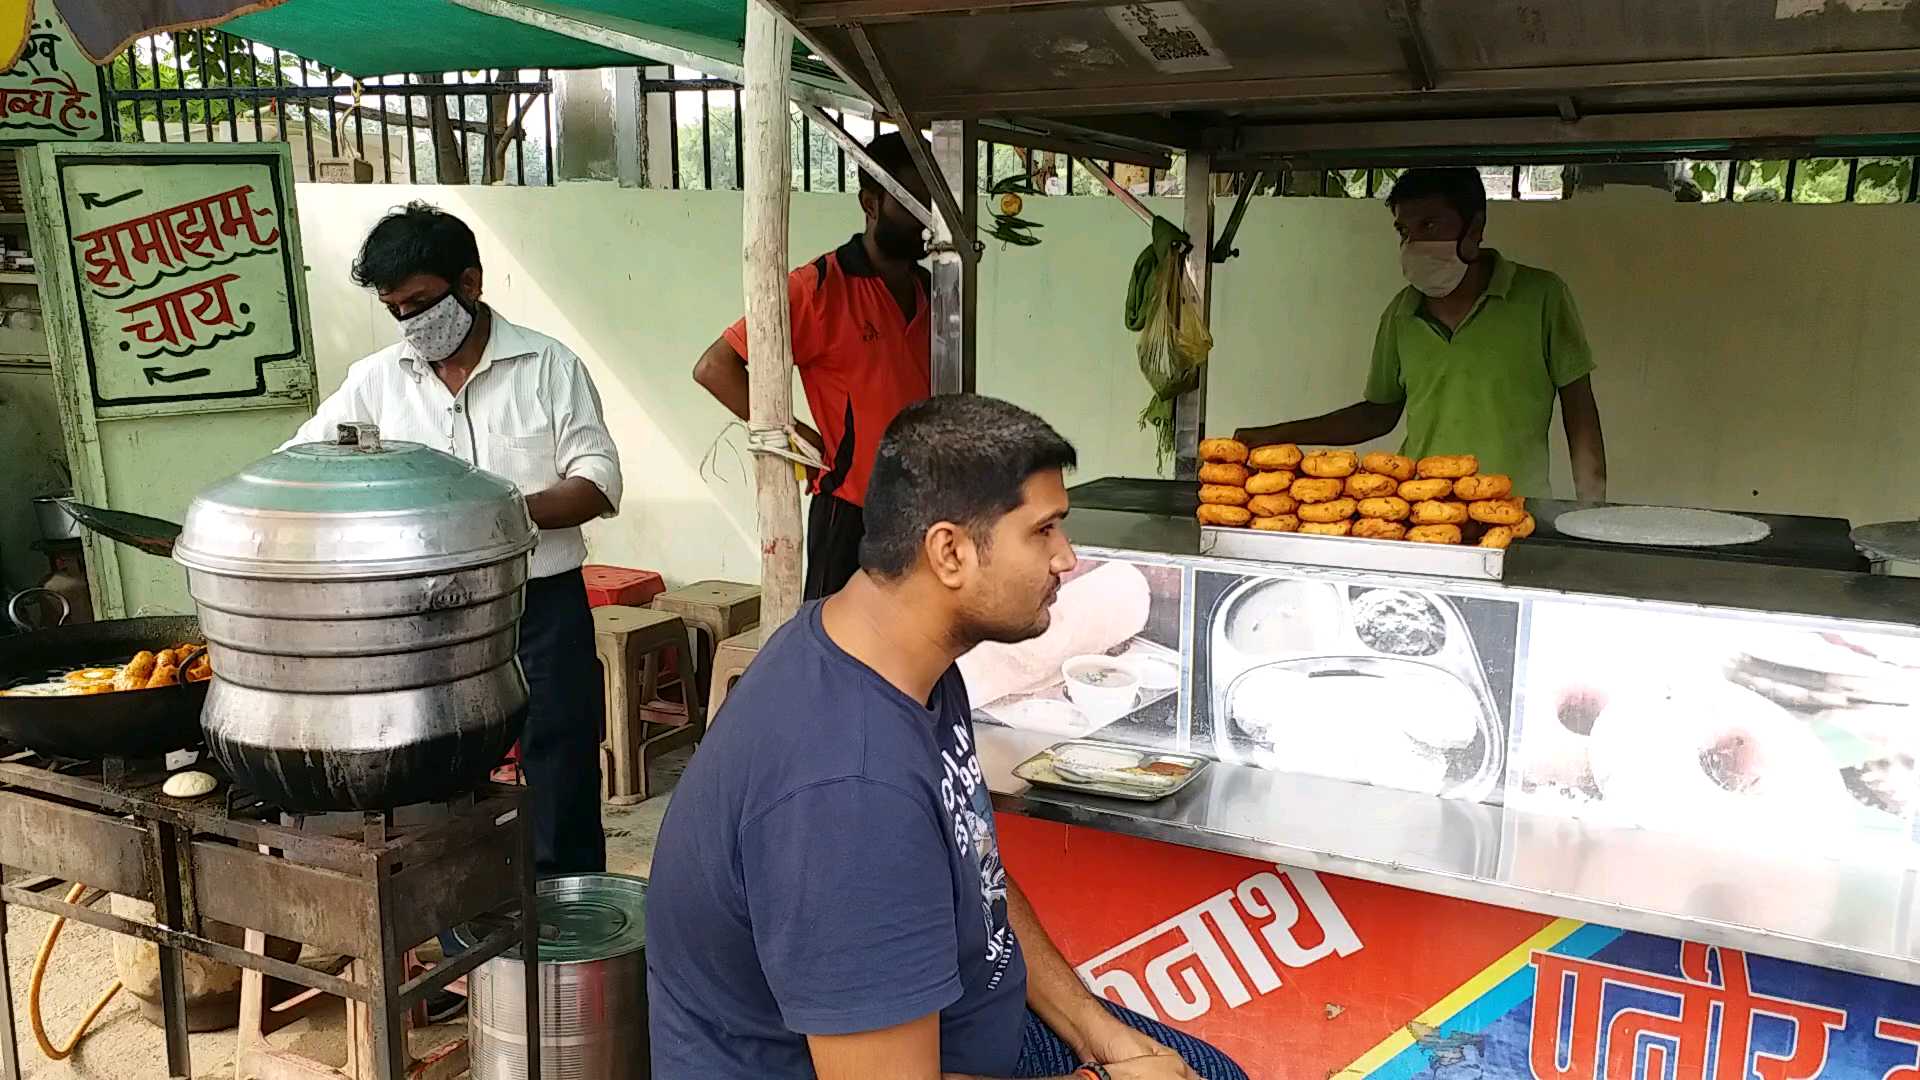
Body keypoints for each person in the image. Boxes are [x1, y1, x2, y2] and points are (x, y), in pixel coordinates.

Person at [647, 394, 1245, 1080]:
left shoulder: (896, 656)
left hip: (965, 1023)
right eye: (1043, 531)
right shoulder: (849, 792)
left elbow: (974, 873)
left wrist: (1101, 1038)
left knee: (1203, 1070)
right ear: (950, 551)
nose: (1067, 559)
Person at [284, 203, 622, 883]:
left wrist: (493, 513)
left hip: (540, 607)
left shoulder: (547, 367)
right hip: (424, 619)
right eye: (393, 309)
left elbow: (598, 483)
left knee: (560, 763)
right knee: (437, 773)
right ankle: (466, 912)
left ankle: (566, 921)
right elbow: (301, 459)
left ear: (469, 283)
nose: (409, 323)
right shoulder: (377, 381)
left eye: (419, 302)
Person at [1236, 166, 1607, 501]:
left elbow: (1578, 408)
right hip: (1416, 510)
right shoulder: (1401, 314)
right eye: (1404, 230)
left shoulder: (1541, 296)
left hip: (1511, 510)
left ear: (1474, 228)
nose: (1413, 243)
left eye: (1429, 226)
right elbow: (1377, 415)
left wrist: (1591, 508)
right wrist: (1275, 435)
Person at [694, 131, 932, 600]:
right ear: (871, 202)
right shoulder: (819, 287)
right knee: (829, 654)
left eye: (930, 205)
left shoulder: (935, 290)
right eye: (911, 204)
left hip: (926, 509)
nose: (925, 220)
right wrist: (794, 433)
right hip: (851, 513)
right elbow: (715, 367)